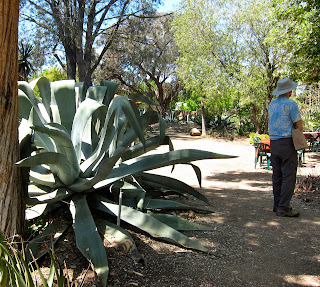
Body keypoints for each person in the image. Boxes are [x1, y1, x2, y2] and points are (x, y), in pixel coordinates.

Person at [268, 78, 303, 217]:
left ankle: (277, 205)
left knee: (277, 175)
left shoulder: (272, 104)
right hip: (287, 142)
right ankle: (284, 207)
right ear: (289, 90)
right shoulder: (291, 104)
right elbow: (299, 125)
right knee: (288, 175)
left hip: (274, 142)